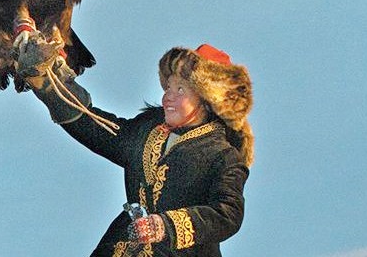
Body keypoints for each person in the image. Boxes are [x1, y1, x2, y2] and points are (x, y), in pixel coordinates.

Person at [17, 34, 254, 257]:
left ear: (207, 98)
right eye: (168, 88)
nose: (167, 97)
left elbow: (228, 214)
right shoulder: (147, 129)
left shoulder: (223, 155)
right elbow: (99, 129)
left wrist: (166, 226)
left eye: (180, 89)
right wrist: (46, 82)